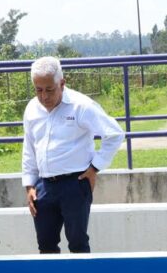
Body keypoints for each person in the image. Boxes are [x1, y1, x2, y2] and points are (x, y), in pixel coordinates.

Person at [22, 56, 125, 254]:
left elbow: (114, 134)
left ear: (62, 83)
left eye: (49, 90)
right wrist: (29, 185)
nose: (44, 96)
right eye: (38, 90)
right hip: (43, 185)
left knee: (77, 242)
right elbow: (29, 147)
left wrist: (95, 167)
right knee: (45, 244)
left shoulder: (81, 105)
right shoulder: (31, 109)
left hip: (75, 184)